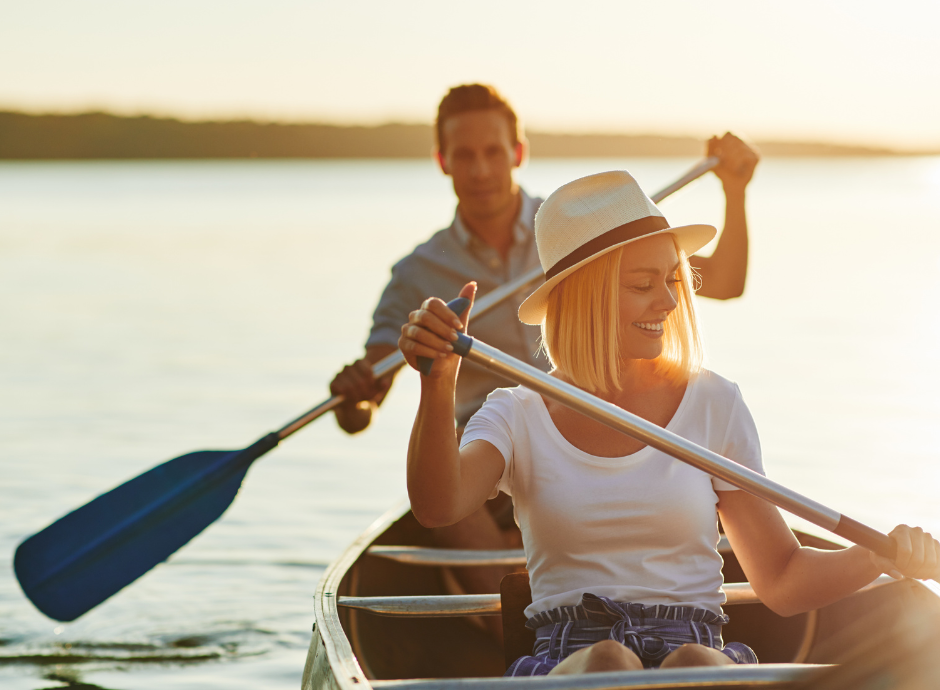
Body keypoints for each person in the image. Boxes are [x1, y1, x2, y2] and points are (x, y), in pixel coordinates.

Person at [398, 170, 940, 674]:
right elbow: (436, 505)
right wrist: (437, 381)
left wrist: (873, 556)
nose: (667, 301)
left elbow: (781, 580)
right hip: (573, 660)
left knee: (694, 666)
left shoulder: (714, 402)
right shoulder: (516, 412)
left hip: (698, 651)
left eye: (671, 279)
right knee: (608, 661)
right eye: (642, 284)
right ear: (586, 294)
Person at [329, 83, 757, 631]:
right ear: (443, 161)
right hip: (487, 464)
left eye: (493, 151)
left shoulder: (577, 234)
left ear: (518, 153)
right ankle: (528, 638)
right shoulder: (415, 275)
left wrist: (736, 192)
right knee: (445, 514)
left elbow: (723, 280)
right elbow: (365, 405)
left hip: (598, 433)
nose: (481, 169)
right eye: (465, 154)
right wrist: (354, 396)